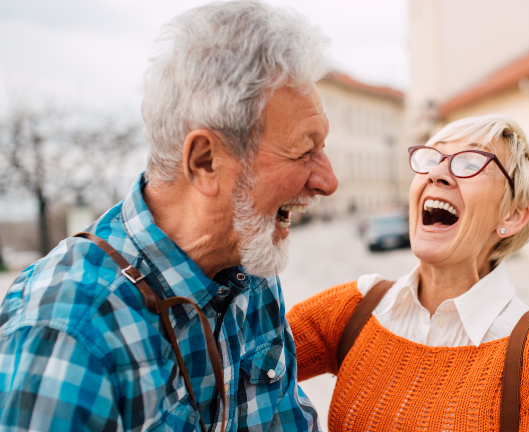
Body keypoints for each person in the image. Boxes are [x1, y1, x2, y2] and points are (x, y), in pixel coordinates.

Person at [0, 1, 337, 431]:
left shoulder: (249, 265)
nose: (328, 181)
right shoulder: (69, 333)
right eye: (304, 150)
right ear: (205, 161)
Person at [288, 114, 529, 431]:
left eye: (470, 163)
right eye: (432, 158)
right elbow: (236, 369)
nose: (437, 173)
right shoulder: (358, 307)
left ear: (511, 216)